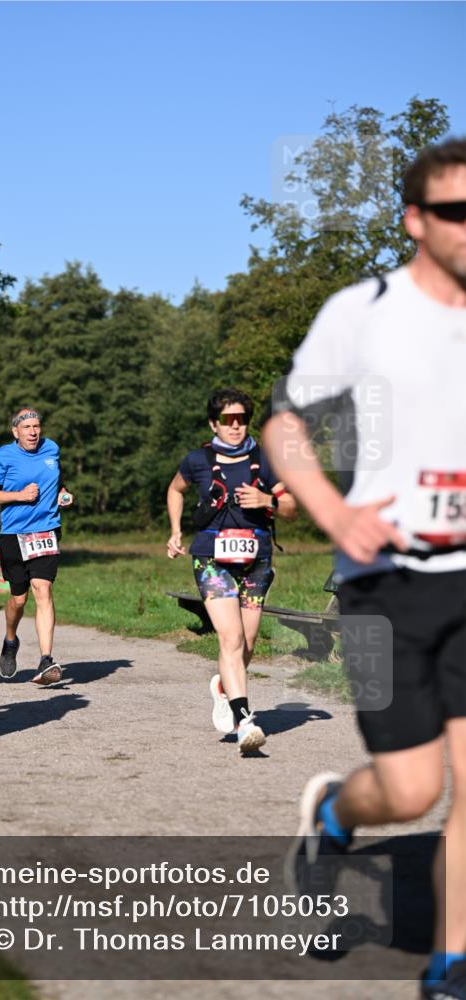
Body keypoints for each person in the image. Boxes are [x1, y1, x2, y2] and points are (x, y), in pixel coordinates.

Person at [261, 137, 466, 999]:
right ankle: (336, 819)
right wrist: (334, 510)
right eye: (454, 211)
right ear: (416, 220)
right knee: (413, 787)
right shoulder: (364, 309)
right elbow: (284, 425)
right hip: (381, 582)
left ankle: (450, 964)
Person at [166, 388, 296, 755]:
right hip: (211, 559)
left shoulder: (266, 460)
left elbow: (292, 508)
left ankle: (224, 687)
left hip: (257, 561)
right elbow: (175, 490)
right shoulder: (198, 460)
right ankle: (245, 721)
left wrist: (268, 500)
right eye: (227, 420)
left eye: (241, 419)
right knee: (232, 639)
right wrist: (175, 531)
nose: (235, 426)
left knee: (248, 644)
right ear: (214, 423)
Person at [0, 407, 73, 684]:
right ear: (15, 432)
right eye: (27, 428)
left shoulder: (51, 449)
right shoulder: (3, 456)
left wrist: (63, 493)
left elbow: (57, 482)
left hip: (46, 530)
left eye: (36, 426)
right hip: (14, 534)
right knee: (19, 599)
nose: (33, 432)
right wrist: (20, 495)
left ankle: (46, 659)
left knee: (43, 589)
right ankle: (10, 640)